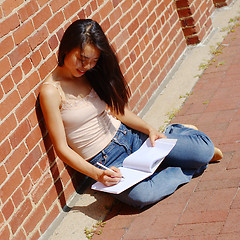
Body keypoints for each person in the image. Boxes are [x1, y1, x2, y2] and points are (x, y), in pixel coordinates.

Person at [39, 19, 223, 208]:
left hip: (130, 137)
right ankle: (190, 163)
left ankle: (178, 134)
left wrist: (150, 129)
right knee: (142, 196)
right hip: (107, 162)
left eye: (93, 61)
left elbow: (119, 111)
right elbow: (61, 148)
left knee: (204, 150)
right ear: (67, 48)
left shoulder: (91, 75)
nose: (86, 66)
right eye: (82, 58)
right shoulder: (51, 91)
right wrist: (98, 175)